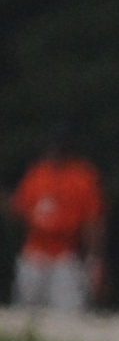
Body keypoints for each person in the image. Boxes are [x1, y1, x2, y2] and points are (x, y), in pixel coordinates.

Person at [10, 133, 102, 315]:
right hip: (34, 253)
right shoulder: (36, 174)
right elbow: (20, 209)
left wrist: (94, 260)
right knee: (25, 309)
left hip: (66, 254)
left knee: (69, 311)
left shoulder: (81, 177)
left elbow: (93, 221)